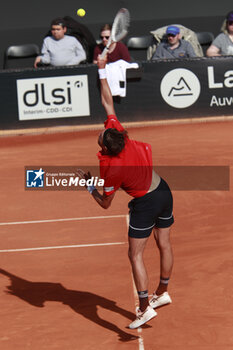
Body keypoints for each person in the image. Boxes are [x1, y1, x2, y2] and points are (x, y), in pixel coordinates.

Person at [77, 55, 174, 329]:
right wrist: (101, 69)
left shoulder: (110, 167)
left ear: (107, 148)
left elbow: (106, 203)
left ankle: (144, 308)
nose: (100, 132)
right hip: (164, 190)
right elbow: (108, 101)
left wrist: (88, 186)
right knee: (164, 243)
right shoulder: (121, 135)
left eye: (100, 136)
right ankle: (162, 292)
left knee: (135, 255)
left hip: (145, 203)